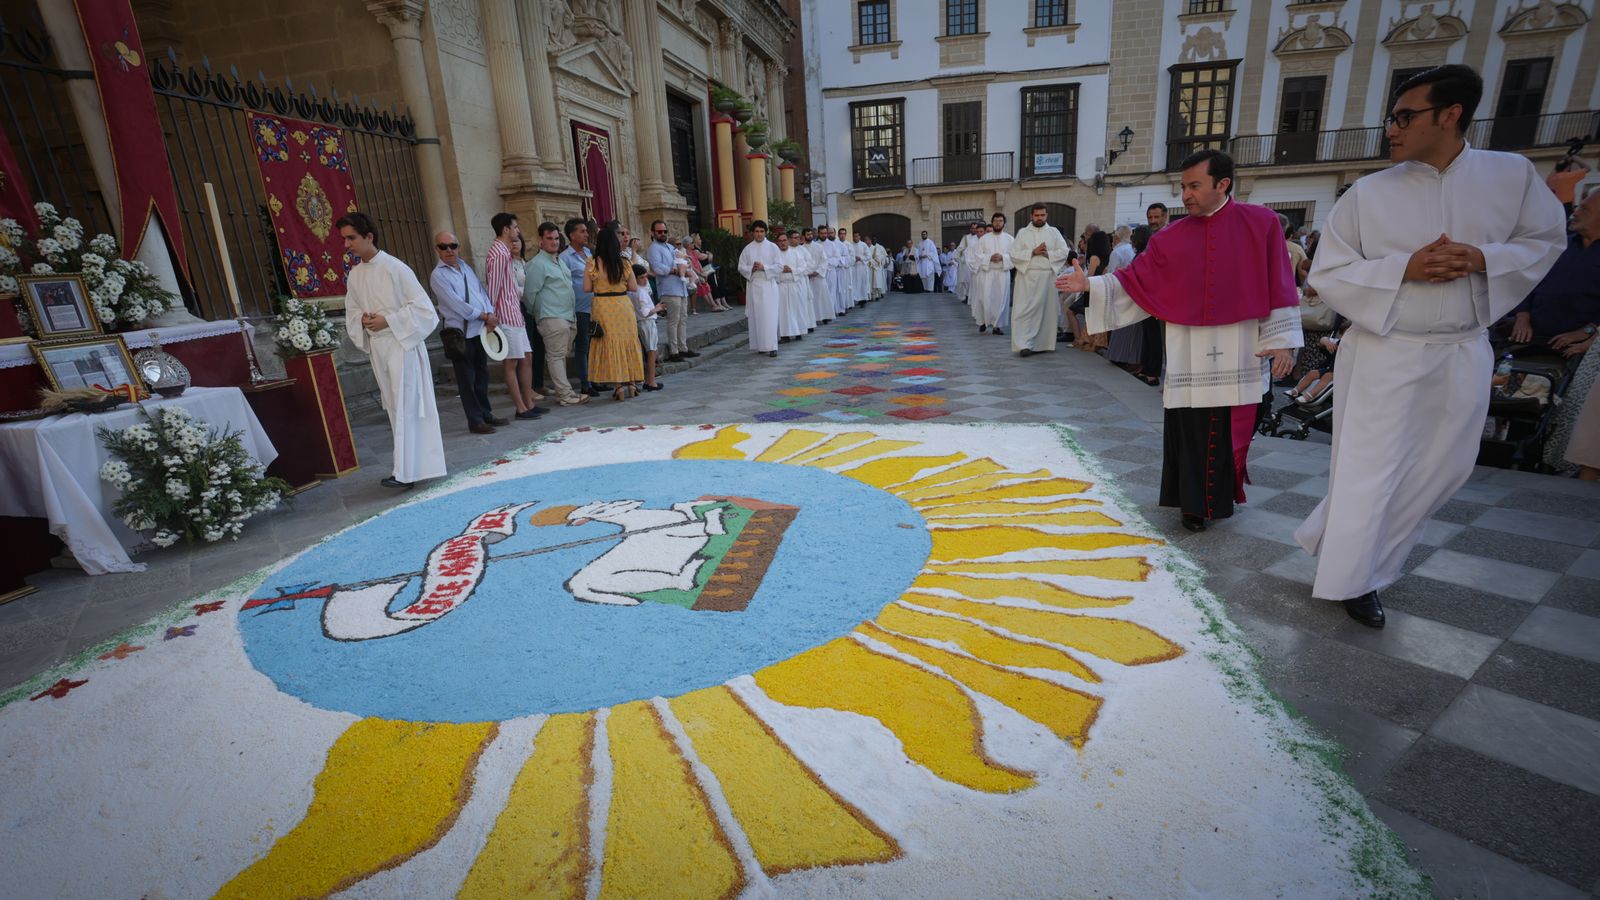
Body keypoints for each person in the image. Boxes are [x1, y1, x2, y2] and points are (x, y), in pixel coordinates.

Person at [1294, 64, 1567, 628]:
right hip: (1386, 349)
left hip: (1462, 347)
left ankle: (1343, 540)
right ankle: (1357, 579)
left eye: (1404, 117)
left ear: (1451, 114)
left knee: (1443, 469)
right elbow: (1330, 273)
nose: (1391, 129)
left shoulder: (1511, 175)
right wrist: (1405, 269)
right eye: (1392, 117)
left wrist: (1484, 258)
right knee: (1370, 471)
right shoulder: (1369, 193)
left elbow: (1545, 240)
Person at [1058, 149, 1302, 534]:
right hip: (1189, 349)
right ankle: (1191, 504)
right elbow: (1136, 280)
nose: (1185, 194)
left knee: (1231, 426)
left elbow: (1279, 281)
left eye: (1194, 186)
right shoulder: (1170, 237)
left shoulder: (1262, 223)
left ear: (1223, 184)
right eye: (1183, 186)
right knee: (1189, 427)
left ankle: (1221, 498)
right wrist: (1090, 284)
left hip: (1240, 346)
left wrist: (1283, 340)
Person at [338, 212, 446, 489]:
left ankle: (406, 472)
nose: (347, 244)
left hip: (402, 345)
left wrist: (389, 320)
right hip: (379, 347)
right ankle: (409, 468)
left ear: (369, 236)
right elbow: (352, 311)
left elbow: (425, 310)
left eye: (351, 238)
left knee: (407, 406)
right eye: (345, 239)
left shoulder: (395, 268)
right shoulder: (355, 275)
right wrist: (362, 321)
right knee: (394, 407)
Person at [430, 230, 506, 434]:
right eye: (443, 247)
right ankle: (475, 420)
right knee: (466, 380)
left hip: (479, 330)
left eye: (452, 246)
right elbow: (456, 304)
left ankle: (486, 413)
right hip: (460, 334)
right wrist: (484, 316)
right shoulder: (438, 276)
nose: (449, 250)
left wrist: (490, 313)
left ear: (459, 247)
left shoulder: (466, 268)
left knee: (482, 375)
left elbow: (480, 292)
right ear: (437, 249)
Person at [1508, 189, 1599, 347]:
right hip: (1528, 340)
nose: (1575, 213)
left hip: (1574, 348)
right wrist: (1522, 316)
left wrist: (1587, 331)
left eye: (1584, 209)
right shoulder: (1558, 245)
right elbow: (1526, 280)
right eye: (1577, 207)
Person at [487, 213, 545, 420]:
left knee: (526, 357)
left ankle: (528, 403)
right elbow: (493, 287)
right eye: (515, 227)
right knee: (511, 361)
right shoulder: (498, 253)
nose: (517, 231)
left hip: (514, 312)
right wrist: (490, 315)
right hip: (504, 314)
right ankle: (520, 407)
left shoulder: (503, 251)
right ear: (505, 229)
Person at [525, 221, 588, 407]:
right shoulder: (537, 264)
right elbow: (530, 294)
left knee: (560, 355)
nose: (554, 242)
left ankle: (564, 392)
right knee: (556, 356)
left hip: (568, 315)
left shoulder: (558, 260)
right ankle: (565, 394)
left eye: (556, 238)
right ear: (540, 241)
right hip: (551, 317)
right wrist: (540, 314)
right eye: (549, 238)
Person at [582, 224, 646, 400]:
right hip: (622, 303)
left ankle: (618, 387)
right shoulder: (624, 262)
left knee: (610, 343)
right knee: (627, 342)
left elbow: (586, 288)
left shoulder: (592, 262)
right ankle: (632, 384)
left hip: (602, 305)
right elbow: (633, 286)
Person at [1010, 203, 1071, 357]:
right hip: (1026, 278)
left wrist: (1047, 254)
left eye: (1042, 215)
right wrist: (1032, 252)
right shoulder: (1023, 233)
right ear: (1031, 216)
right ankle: (1024, 344)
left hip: (1046, 278)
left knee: (1046, 312)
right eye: (1036, 215)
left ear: (1046, 216)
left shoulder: (1054, 232)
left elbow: (1064, 251)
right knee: (1024, 311)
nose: (1039, 218)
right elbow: (1013, 254)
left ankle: (1042, 344)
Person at [560, 218, 599, 397]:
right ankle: (585, 382)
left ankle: (597, 378)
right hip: (579, 308)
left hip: (596, 305)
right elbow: (565, 284)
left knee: (596, 343)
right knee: (583, 344)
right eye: (582, 231)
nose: (586, 234)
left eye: (586, 231)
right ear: (572, 235)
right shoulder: (565, 257)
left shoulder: (588, 252)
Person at [648, 219, 696, 363]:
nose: (663, 234)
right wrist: (674, 270)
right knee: (673, 320)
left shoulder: (669, 247)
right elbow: (657, 268)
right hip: (669, 289)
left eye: (665, 231)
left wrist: (686, 264)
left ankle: (683, 348)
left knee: (683, 319)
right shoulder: (653, 248)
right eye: (659, 231)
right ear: (653, 233)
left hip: (680, 288)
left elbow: (682, 258)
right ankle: (674, 351)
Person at [967, 213, 1014, 335]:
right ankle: (983, 321)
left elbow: (1015, 256)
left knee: (1000, 300)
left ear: (1004, 223)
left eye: (1000, 220)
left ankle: (996, 326)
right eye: (996, 221)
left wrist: (1003, 257)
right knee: (984, 298)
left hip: (1002, 273)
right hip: (987, 272)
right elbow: (977, 255)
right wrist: (989, 258)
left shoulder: (1010, 239)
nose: (998, 223)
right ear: (992, 222)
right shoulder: (983, 239)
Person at [1104, 225, 1143, 371]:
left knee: (1120, 327)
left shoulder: (1117, 252)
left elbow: (1111, 276)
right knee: (1132, 329)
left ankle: (1119, 356)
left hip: (1120, 291)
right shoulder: (1131, 250)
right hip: (1134, 293)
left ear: (1117, 237)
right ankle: (1131, 357)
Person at [630, 261, 665, 392]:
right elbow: (645, 313)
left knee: (648, 351)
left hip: (641, 322)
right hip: (647, 322)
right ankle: (651, 381)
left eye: (646, 277)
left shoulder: (633, 291)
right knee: (651, 352)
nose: (645, 280)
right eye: (642, 277)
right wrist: (658, 308)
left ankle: (646, 379)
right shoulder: (639, 292)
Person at [775, 230, 810, 342]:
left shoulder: (795, 253)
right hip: (781, 286)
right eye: (780, 241)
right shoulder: (775, 255)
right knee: (783, 311)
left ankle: (798, 331)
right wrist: (781, 270)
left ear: (788, 241)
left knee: (796, 309)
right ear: (777, 242)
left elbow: (803, 267)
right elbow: (771, 270)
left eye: (784, 240)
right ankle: (785, 335)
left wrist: (791, 270)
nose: (782, 243)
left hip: (794, 284)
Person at [1547, 152, 1591, 217]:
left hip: (1553, 206)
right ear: (1567, 167)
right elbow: (1588, 168)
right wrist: (1574, 158)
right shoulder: (1568, 176)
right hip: (1566, 206)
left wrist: (1565, 159)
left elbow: (1556, 169)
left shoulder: (1550, 178)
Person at [805, 228, 832, 325]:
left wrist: (817, 271)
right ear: (804, 236)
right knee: (810, 298)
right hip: (807, 277)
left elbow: (824, 260)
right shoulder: (801, 248)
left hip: (819, 276)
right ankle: (812, 319)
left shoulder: (818, 247)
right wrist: (808, 272)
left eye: (811, 234)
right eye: (808, 234)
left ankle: (824, 316)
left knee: (822, 297)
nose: (810, 236)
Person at [954, 221, 982, 306]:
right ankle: (966, 296)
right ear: (970, 229)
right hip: (967, 263)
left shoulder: (981, 238)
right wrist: (963, 255)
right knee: (966, 281)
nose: (974, 230)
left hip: (977, 262)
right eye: (972, 228)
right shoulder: (966, 238)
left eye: (975, 228)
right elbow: (960, 249)